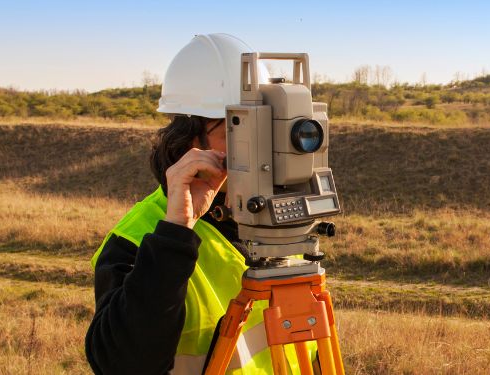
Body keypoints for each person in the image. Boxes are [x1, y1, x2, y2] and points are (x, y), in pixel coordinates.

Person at [84, 34, 318, 375]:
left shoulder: (275, 226)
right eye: (242, 131)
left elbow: (306, 352)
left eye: (269, 130)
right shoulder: (136, 239)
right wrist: (176, 233)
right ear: (192, 142)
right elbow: (121, 365)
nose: (265, 151)